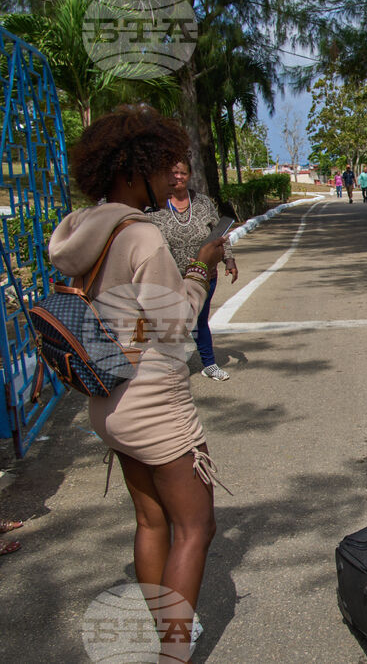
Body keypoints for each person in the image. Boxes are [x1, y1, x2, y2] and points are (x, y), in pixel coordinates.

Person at [48, 104, 227, 659]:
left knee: (151, 520)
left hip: (108, 400)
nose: (166, 177)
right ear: (131, 170)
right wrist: (200, 265)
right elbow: (174, 325)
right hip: (153, 401)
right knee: (196, 527)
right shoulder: (141, 235)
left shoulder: (84, 232)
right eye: (157, 166)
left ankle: (163, 630)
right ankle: (173, 652)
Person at [147, 158, 237, 382]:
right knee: (168, 322)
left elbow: (220, 233)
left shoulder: (203, 203)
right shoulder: (154, 204)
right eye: (173, 172)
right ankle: (167, 367)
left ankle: (209, 363)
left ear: (189, 175)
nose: (177, 177)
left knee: (199, 318)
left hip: (205, 275)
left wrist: (229, 259)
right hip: (168, 277)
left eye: (182, 173)